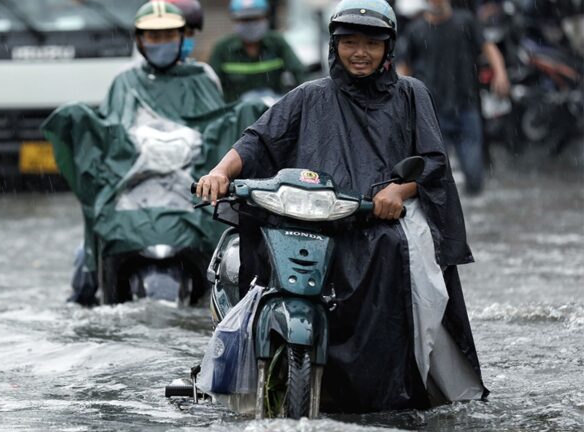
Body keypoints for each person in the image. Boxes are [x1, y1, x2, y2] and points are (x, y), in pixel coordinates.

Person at [196, 0, 488, 412]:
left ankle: (397, 381)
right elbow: (259, 139)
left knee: (403, 258)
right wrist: (220, 172)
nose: (360, 52)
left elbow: (433, 161)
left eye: (371, 43)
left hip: (382, 218)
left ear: (388, 47)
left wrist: (397, 191)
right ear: (334, 45)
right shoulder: (310, 95)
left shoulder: (411, 94)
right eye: (349, 42)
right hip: (315, 218)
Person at [42, 1, 264, 306]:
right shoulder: (125, 81)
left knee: (237, 261)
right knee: (87, 254)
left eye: (168, 36)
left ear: (181, 36)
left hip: (190, 184)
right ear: (139, 41)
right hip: (135, 185)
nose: (161, 44)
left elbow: (219, 128)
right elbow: (110, 133)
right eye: (153, 37)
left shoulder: (203, 78)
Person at [396, 0, 509, 195]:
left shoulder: (465, 22)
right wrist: (399, 98)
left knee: (474, 175)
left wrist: (500, 73)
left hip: (466, 106)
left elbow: (488, 47)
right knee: (436, 176)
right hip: (432, 113)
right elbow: (404, 67)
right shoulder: (416, 30)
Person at [208, 0, 307, 102]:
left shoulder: (277, 43)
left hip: (276, 111)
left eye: (255, 18)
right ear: (235, 21)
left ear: (265, 18)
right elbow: (210, 87)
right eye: (244, 20)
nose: (251, 25)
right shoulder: (222, 49)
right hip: (236, 114)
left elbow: (301, 73)